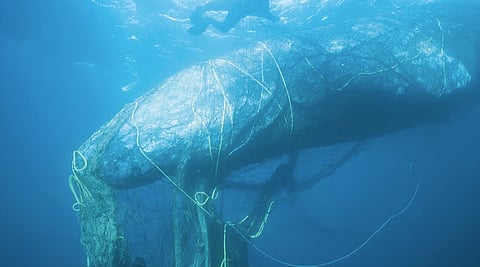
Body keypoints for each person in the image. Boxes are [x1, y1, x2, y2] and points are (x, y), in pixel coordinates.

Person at [188, 0, 279, 35]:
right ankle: (202, 18)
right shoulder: (264, 8)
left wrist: (274, 18)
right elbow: (268, 15)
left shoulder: (265, 8)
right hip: (235, 5)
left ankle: (207, 20)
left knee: (224, 28)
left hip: (237, 10)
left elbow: (268, 15)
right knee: (207, 7)